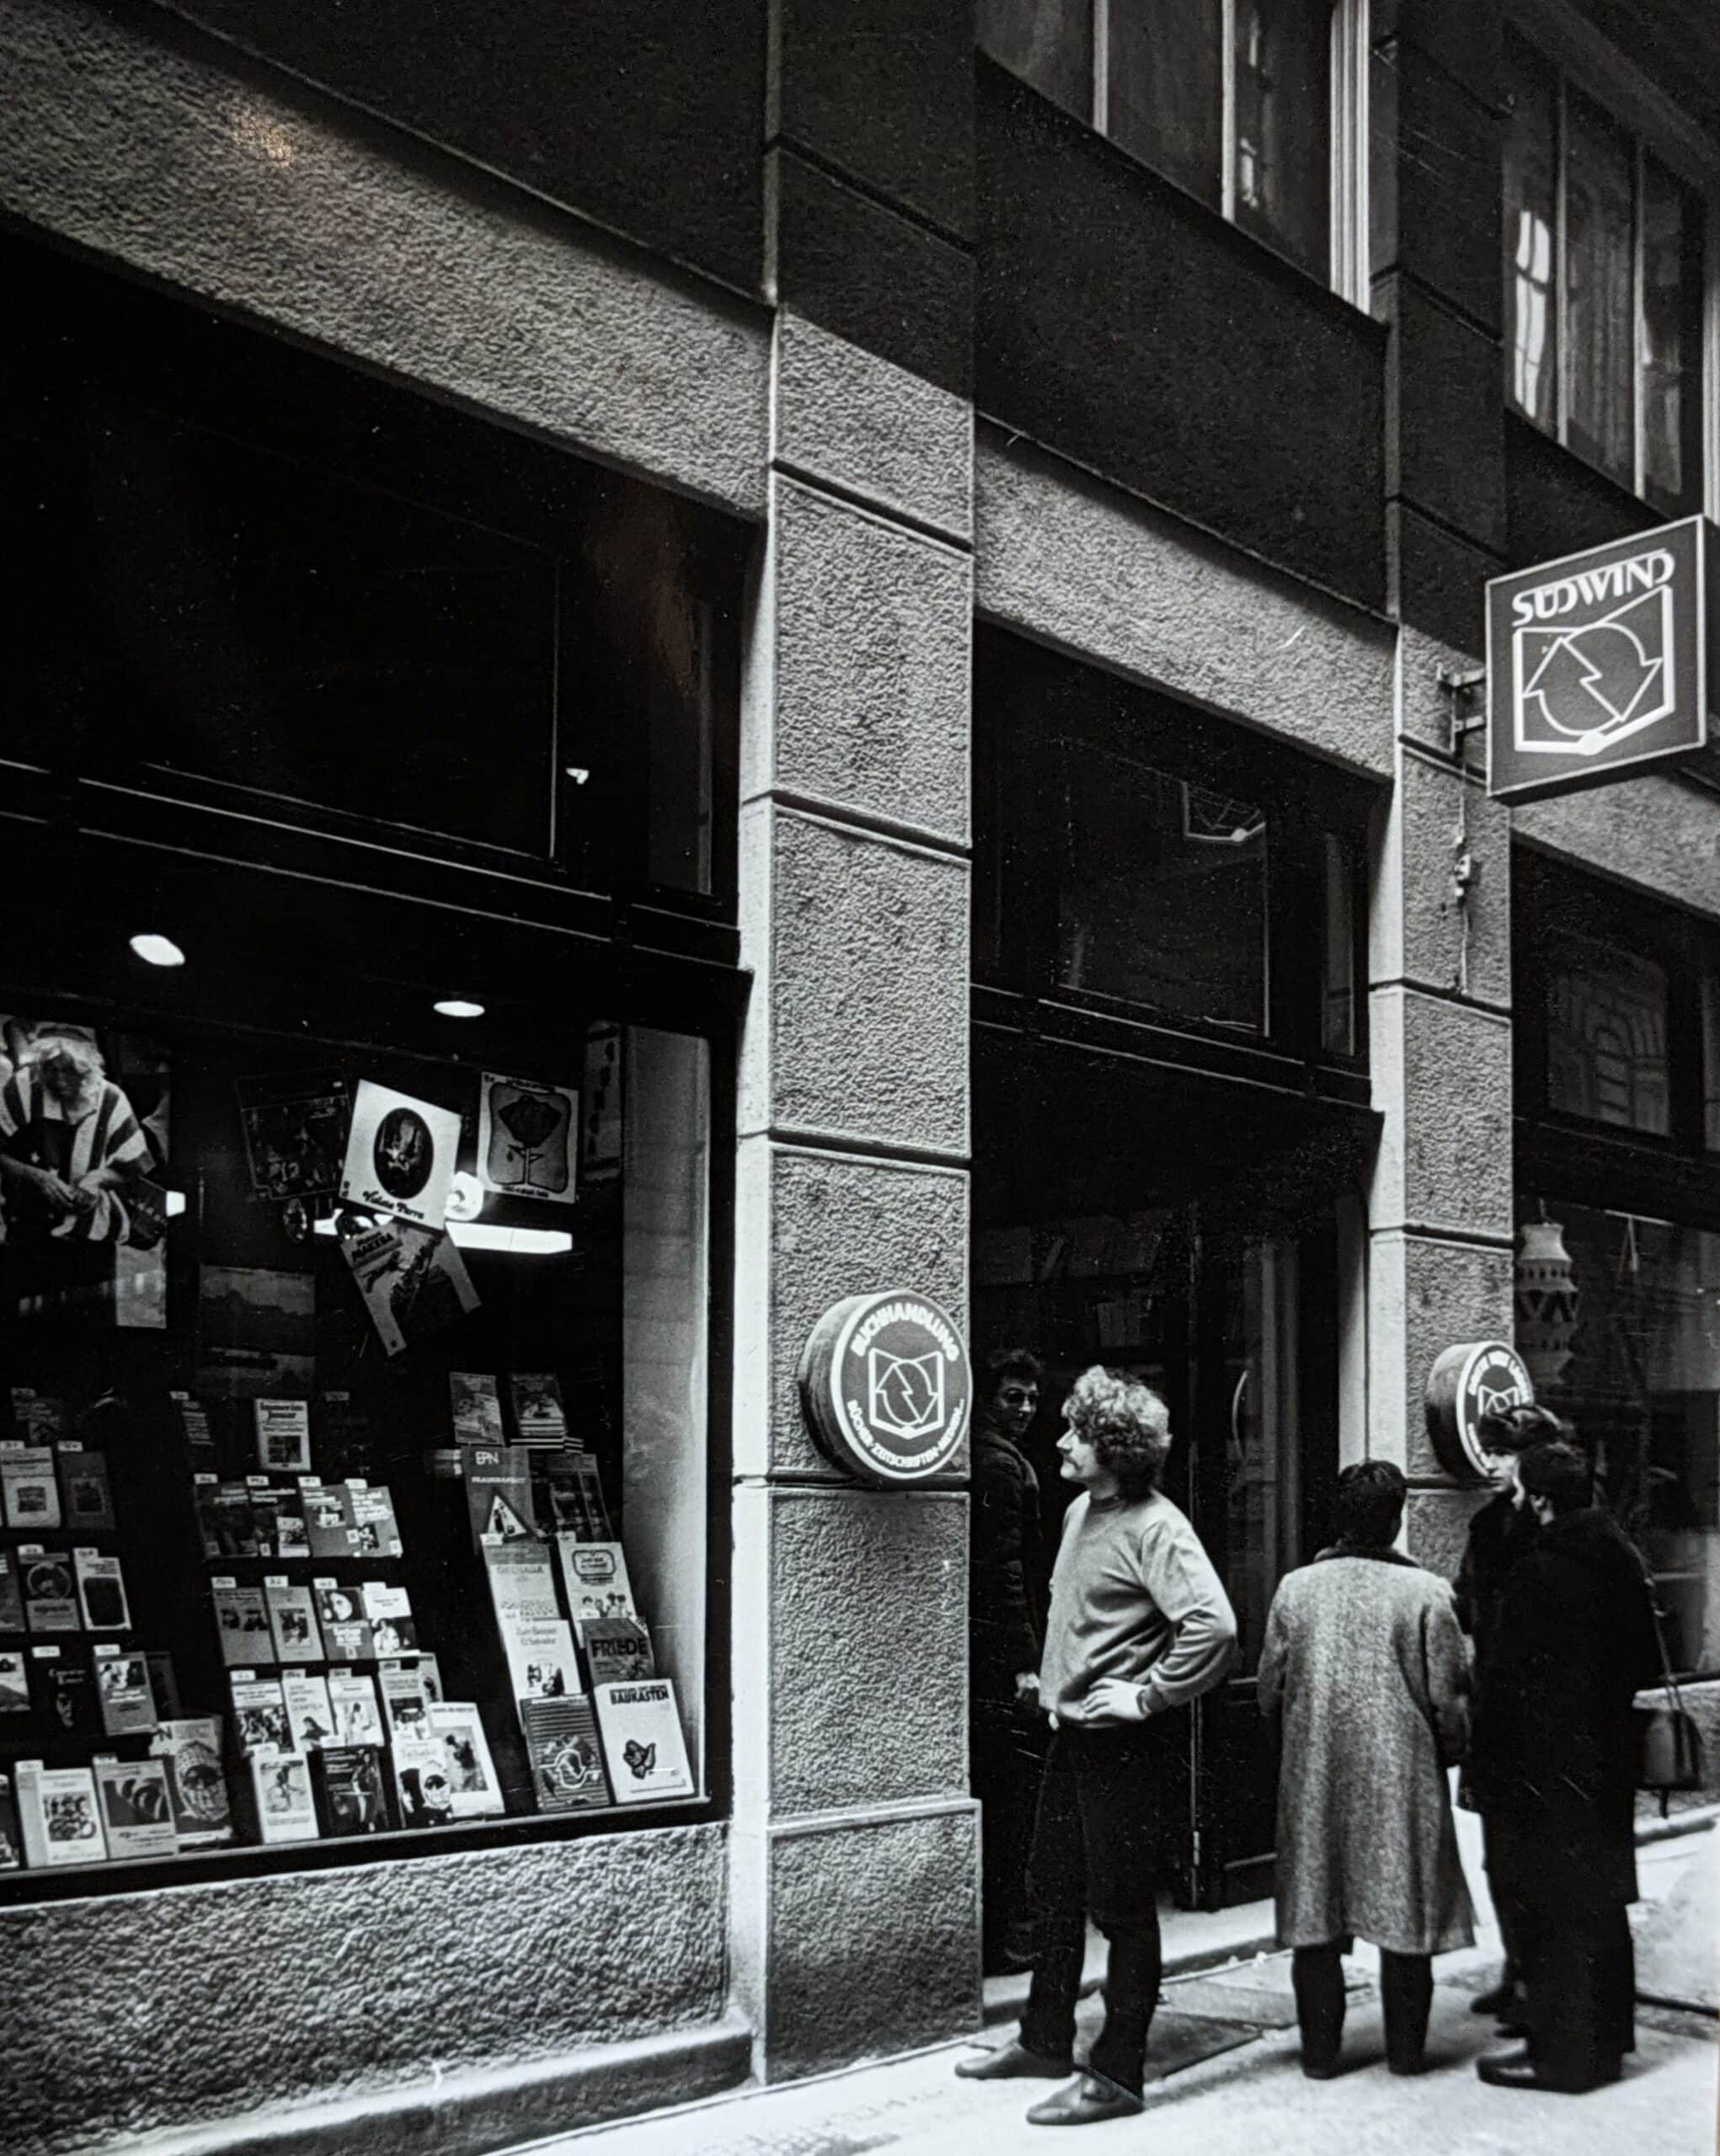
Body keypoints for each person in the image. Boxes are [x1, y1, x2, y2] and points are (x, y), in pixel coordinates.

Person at [956, 1367, 1237, 2126]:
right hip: (1071, 1735)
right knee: (1052, 1889)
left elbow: (1213, 1627)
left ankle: (1118, 2071)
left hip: (1123, 1746)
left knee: (1120, 1907)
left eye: (1076, 1431)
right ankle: (1045, 2037)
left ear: (1113, 1447)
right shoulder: (1083, 1510)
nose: (1059, 1439)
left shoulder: (1157, 1527)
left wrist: (1147, 1695)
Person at [1258, 1460, 1474, 2079]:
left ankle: (1320, 2056)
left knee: (1315, 1923)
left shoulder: (1296, 1589)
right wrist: (1449, 1753)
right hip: (1401, 1778)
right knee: (1406, 1918)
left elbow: (1270, 1690)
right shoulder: (1428, 1594)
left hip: (1316, 1777)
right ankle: (1407, 2054)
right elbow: (1449, 1701)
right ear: (1396, 1519)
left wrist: (1296, 1746)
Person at [1469, 1441, 1660, 2095]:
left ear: (1542, 1501)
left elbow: (1504, 1681)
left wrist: (1490, 1768)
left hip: (1543, 1772)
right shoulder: (1620, 1556)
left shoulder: (1540, 1570)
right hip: (1605, 1763)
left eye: (1522, 1491)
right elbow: (1638, 1660)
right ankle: (1608, 2041)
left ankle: (1563, 2056)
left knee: (1550, 1912)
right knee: (1600, 1903)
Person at [1452, 1401, 1564, 2031]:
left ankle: (1540, 1982)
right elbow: (1468, 1598)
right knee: (1500, 1853)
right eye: (1491, 1452)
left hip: (1542, 1712)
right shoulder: (1489, 1523)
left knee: (1538, 1855)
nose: (1492, 1464)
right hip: (1497, 1705)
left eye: (1504, 1453)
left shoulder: (1559, 1522)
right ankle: (1515, 1967)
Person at [968, 1348, 1049, 1976]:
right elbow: (1007, 1571)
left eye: (1030, 1398)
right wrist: (1026, 1661)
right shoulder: (997, 1464)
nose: (1023, 1409)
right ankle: (1004, 1938)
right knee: (1010, 1796)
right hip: (1001, 1662)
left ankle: (1004, 1933)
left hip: (989, 1656)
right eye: (1011, 1397)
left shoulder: (997, 1456)